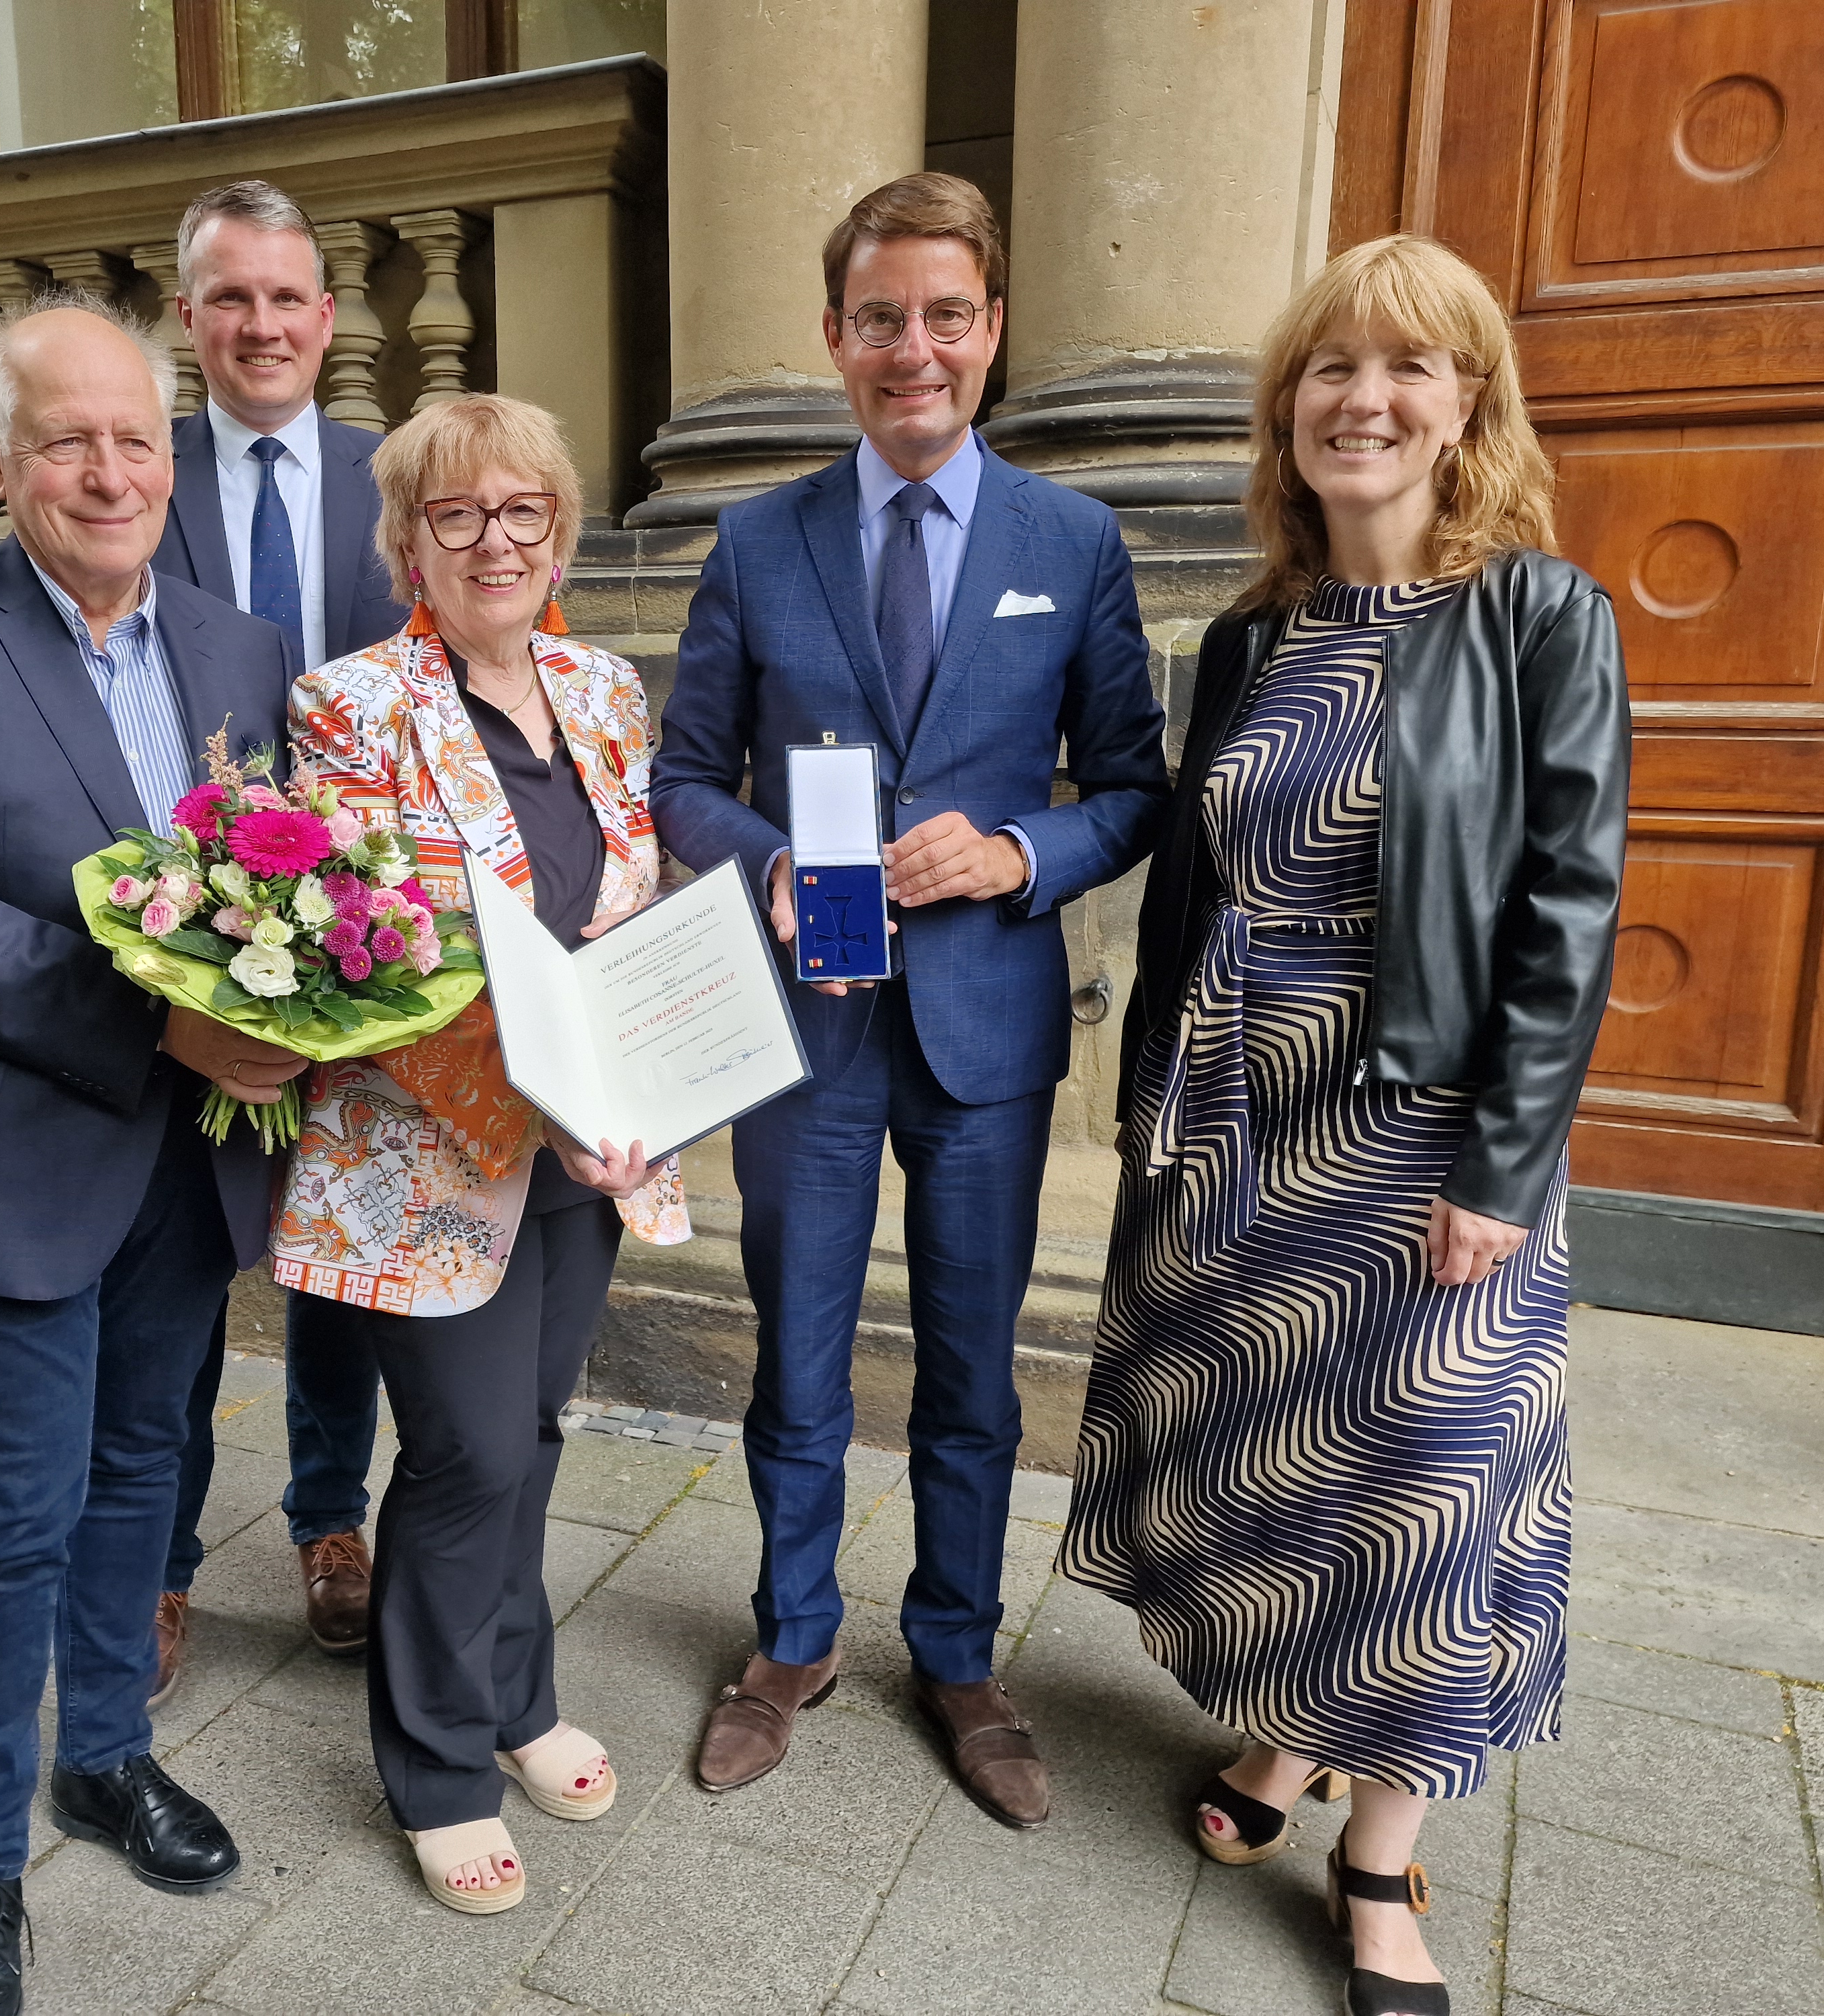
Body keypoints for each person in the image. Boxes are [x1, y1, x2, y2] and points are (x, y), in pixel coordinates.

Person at [1059, 234, 1627, 2016]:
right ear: (1287, 410)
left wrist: (1503, 1167)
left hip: (1426, 1131)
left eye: (1407, 366)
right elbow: (1188, 892)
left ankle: (1377, 1860)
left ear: (1467, 408)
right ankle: (1285, 1737)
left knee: (1426, 1496)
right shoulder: (1248, 635)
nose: (1362, 399)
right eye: (1329, 366)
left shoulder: (1538, 618)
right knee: (1273, 1454)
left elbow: (1567, 908)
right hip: (1243, 1112)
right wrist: (1152, 1107)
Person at [651, 172, 1170, 1827]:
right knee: (796, 1354)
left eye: (945, 315)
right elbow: (681, 780)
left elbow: (1133, 791)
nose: (912, 350)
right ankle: (790, 1638)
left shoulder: (1070, 542)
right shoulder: (758, 538)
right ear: (834, 336)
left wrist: (1018, 852)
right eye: (880, 319)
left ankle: (955, 1653)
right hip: (804, 1022)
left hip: (984, 1024)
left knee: (969, 1369)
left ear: (991, 329)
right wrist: (765, 867)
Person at [0, 292, 310, 2016]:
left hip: (184, 1158)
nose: (108, 474)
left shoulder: (239, 649)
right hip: (7, 1153)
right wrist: (164, 1025)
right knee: (6, 1513)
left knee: (139, 1475)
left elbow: (275, 879)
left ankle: (101, 1757)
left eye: (132, 438)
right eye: (63, 442)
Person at [275, 392, 689, 1913]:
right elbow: (371, 956)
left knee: (534, 1428)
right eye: (455, 514)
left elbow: (639, 902)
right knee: (464, 1453)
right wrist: (549, 1092)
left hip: (598, 1147)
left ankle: (518, 1697)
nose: (493, 541)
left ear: (558, 531)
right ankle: (439, 1763)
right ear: (408, 544)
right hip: (432, 1146)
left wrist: (639, 1067)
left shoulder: (604, 688)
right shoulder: (348, 706)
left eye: (522, 511)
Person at [147, 178, 406, 1691]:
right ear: (189, 316)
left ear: (328, 314)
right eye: (230, 297)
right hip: (192, 936)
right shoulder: (137, 471)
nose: (262, 324)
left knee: (335, 1256)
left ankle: (329, 1522)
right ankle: (159, 1563)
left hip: (371, 934)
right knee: (181, 1262)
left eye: (286, 295)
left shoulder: (397, 476)